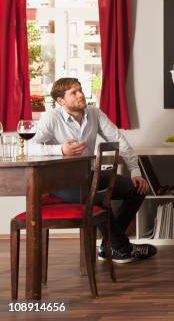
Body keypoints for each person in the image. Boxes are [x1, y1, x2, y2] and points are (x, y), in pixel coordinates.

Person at [30, 77, 157, 264]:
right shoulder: (51, 117)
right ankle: (122, 248)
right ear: (60, 101)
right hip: (59, 182)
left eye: (80, 89)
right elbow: (29, 147)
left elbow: (119, 141)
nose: (80, 94)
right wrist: (60, 150)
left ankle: (109, 245)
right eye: (73, 92)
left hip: (87, 176)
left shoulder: (94, 113)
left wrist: (135, 172)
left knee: (137, 188)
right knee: (99, 198)